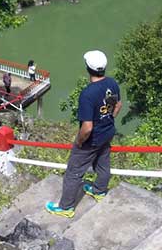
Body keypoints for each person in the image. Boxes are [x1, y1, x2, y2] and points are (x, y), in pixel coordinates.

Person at [45, 50, 122, 217]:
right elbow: (118, 105)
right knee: (103, 162)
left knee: (73, 172)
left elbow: (87, 127)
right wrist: (108, 118)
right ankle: (99, 190)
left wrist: (79, 141)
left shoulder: (87, 94)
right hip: (107, 132)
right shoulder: (112, 83)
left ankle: (66, 208)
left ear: (88, 68)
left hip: (91, 139)